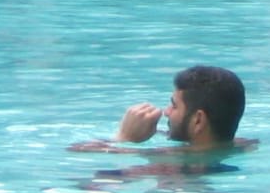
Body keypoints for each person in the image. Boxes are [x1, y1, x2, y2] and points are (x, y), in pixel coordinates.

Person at [69, 64, 253, 155]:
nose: (166, 112)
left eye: (174, 105)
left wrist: (123, 139)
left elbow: (75, 151)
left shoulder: (165, 167)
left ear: (198, 120)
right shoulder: (244, 146)